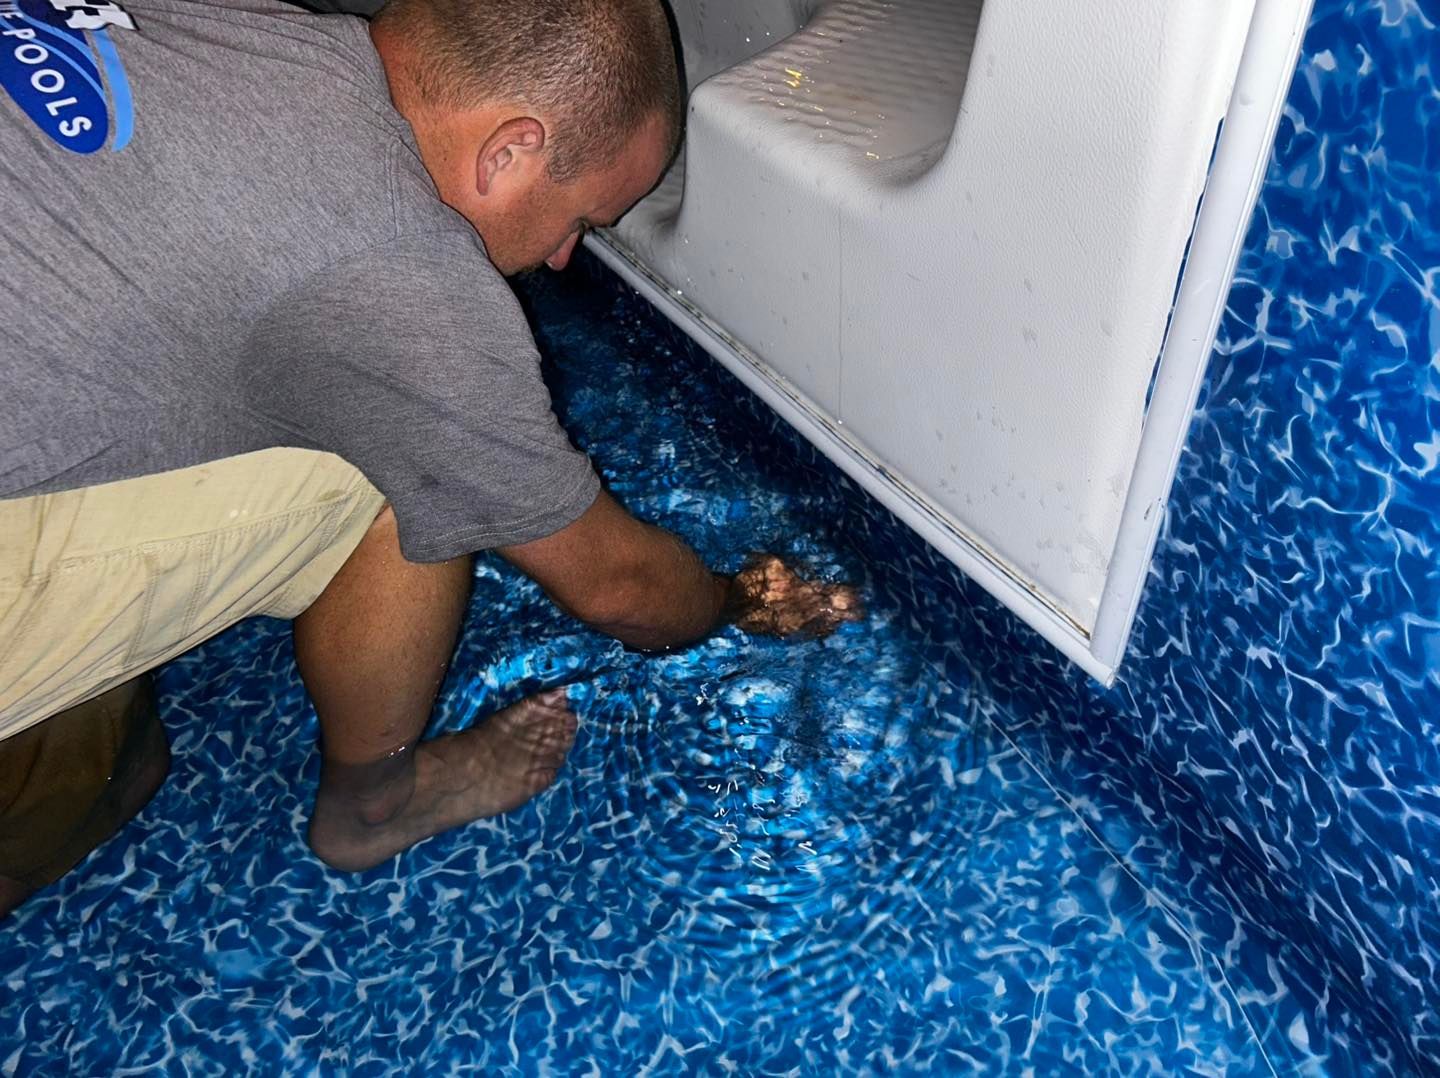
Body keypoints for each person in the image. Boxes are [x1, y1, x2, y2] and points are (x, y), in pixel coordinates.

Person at [0, 0, 859, 916]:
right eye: (579, 219)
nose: (566, 258)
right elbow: (619, 591)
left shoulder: (237, 28)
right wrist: (736, 600)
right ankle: (373, 805)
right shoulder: (394, 265)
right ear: (509, 152)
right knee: (403, 457)